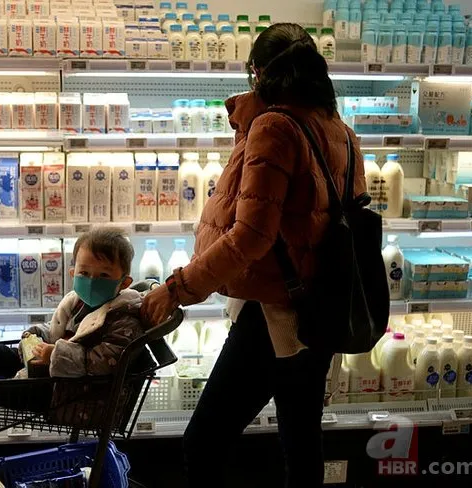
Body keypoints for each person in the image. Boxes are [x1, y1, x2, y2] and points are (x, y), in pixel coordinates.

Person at [141, 23, 367, 487]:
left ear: (259, 73)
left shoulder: (275, 126)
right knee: (302, 445)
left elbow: (250, 237)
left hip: (276, 314)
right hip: (321, 307)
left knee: (204, 441)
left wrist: (178, 288)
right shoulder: (340, 130)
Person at [0, 227, 145, 385]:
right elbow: (62, 330)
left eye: (104, 275)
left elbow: (104, 361)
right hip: (59, 375)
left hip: (76, 392)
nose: (92, 281)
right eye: (84, 273)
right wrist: (40, 334)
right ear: (73, 274)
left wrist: (54, 355)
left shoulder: (124, 318)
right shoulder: (78, 304)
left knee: (21, 387)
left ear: (124, 283)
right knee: (14, 357)